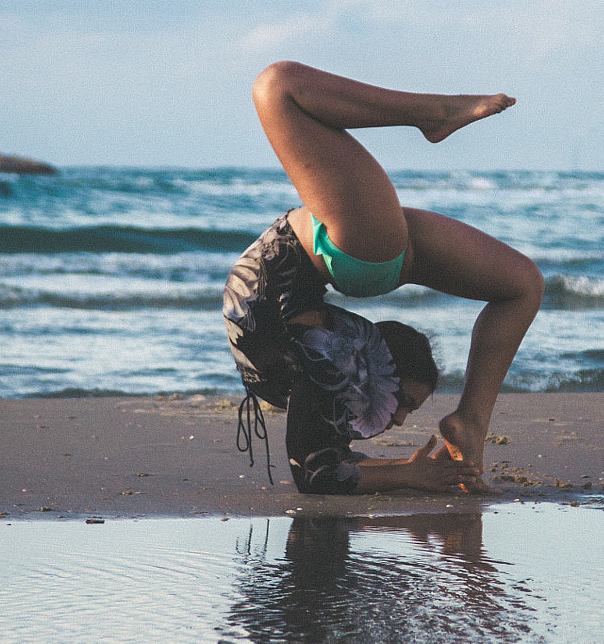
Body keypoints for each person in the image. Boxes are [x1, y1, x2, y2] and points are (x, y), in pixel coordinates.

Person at [223, 62, 544, 495]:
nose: (395, 419)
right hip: (351, 249)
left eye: (404, 405)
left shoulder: (326, 368)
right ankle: (433, 115)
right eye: (405, 404)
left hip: (345, 251)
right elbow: (319, 473)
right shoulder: (332, 366)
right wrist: (411, 474)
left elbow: (318, 471)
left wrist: (407, 474)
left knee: (280, 85)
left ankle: (470, 422)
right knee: (277, 86)